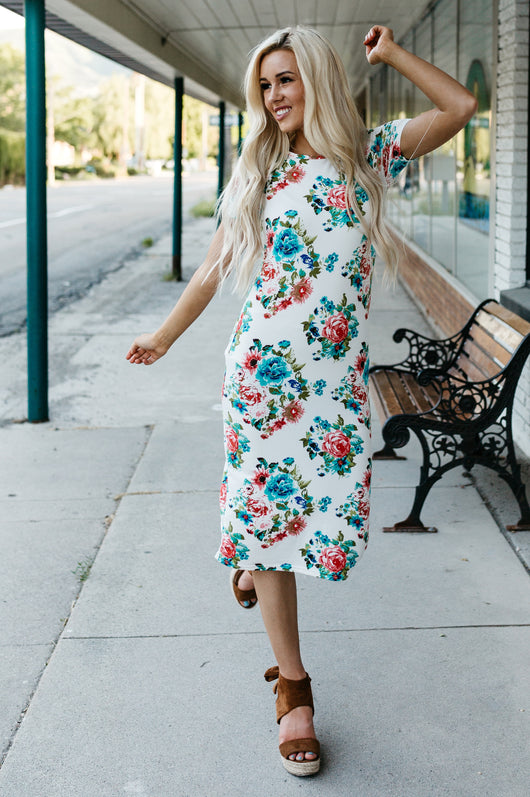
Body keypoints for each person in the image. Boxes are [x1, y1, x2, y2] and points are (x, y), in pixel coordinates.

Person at [126, 24, 476, 777]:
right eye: (265, 84)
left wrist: (388, 58)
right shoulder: (261, 173)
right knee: (276, 532)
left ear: (314, 78)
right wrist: (162, 336)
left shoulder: (366, 156)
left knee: (309, 528)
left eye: (286, 79)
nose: (274, 96)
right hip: (261, 382)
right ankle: (295, 692)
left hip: (331, 397)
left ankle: (253, 558)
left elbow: (459, 105)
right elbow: (213, 272)